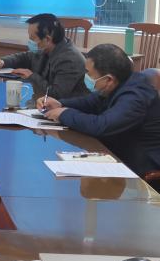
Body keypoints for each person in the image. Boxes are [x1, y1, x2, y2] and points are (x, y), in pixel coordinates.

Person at [39, 43, 160, 178]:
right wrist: (60, 104)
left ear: (108, 79)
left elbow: (101, 126)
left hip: (141, 168)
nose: (86, 77)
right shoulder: (120, 83)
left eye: (89, 73)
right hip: (117, 153)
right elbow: (90, 102)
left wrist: (64, 113)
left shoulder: (136, 96)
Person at [0, 13, 88, 101]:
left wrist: (32, 76)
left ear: (47, 39)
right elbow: (25, 57)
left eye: (32, 38)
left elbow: (55, 95)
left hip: (65, 109)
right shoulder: (46, 48)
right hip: (43, 103)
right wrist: (3, 62)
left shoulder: (69, 61)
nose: (30, 42)